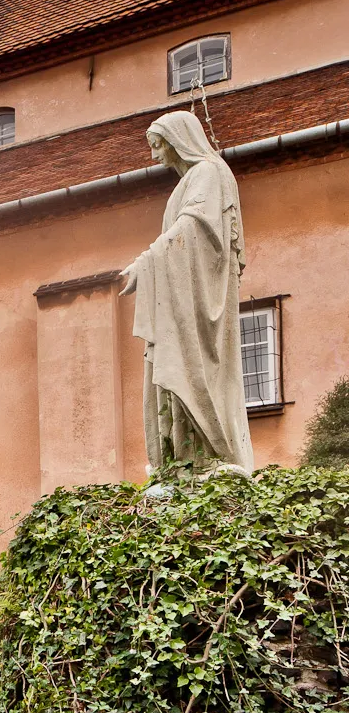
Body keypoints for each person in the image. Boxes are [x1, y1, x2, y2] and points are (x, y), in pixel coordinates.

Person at [120, 110, 254, 473]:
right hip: (182, 296)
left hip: (196, 304)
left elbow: (193, 229)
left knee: (191, 372)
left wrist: (145, 262)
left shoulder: (208, 173)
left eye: (158, 145)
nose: (154, 156)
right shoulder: (192, 180)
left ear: (179, 140)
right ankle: (183, 459)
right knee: (174, 386)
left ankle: (206, 457)